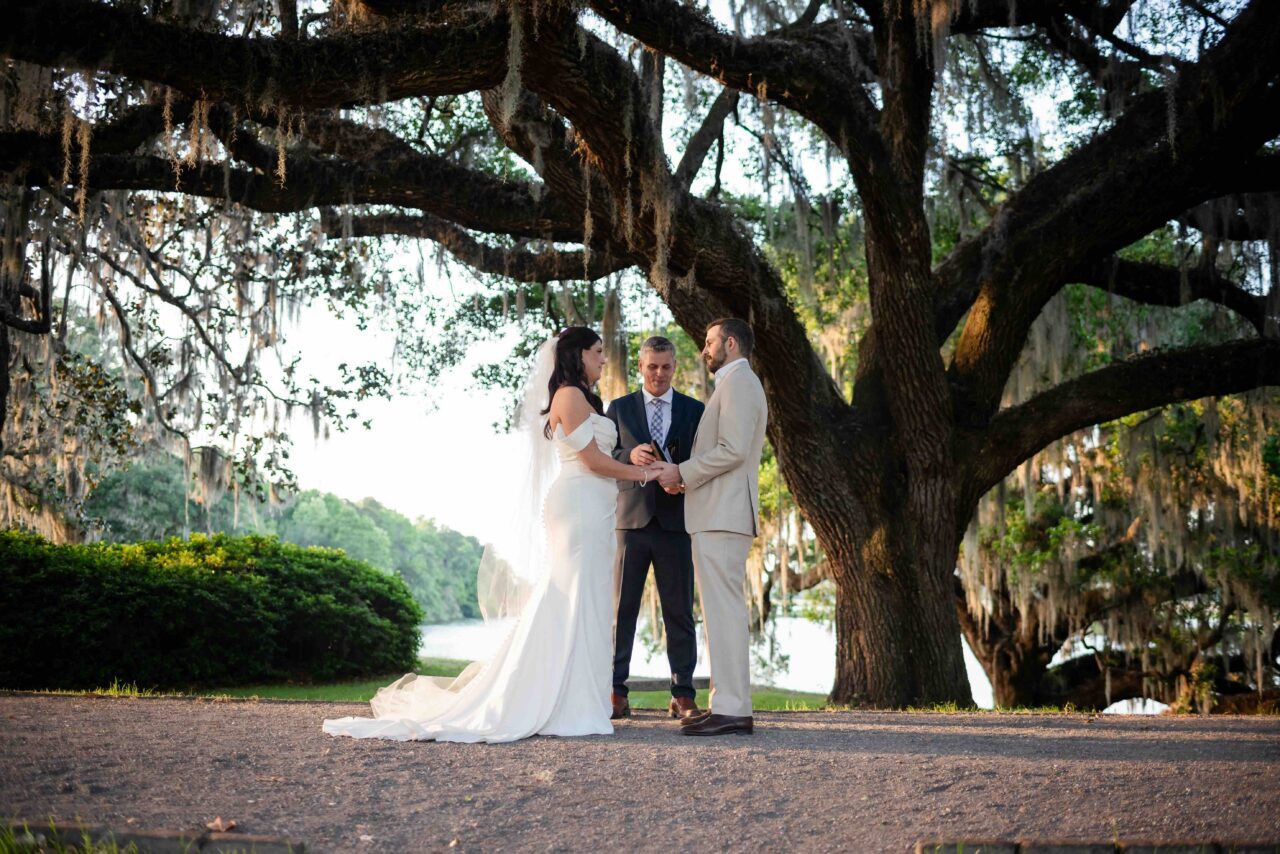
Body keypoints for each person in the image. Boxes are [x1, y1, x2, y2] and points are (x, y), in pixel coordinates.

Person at [322, 327, 664, 743]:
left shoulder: (588, 400)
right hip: (577, 508)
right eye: (597, 352)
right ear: (577, 356)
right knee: (574, 599)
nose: (603, 360)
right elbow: (591, 461)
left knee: (586, 600)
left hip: (595, 507)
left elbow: (605, 456)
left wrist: (632, 460)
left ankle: (580, 699)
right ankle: (563, 702)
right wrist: (648, 473)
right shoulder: (569, 396)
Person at [651, 318, 768, 737]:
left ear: (731, 343)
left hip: (724, 515)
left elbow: (733, 450)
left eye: (710, 341)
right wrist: (683, 478)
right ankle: (727, 704)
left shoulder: (738, 383)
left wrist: (681, 471)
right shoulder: (734, 383)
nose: (705, 348)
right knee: (721, 615)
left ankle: (733, 708)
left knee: (725, 615)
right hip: (718, 514)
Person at [604, 336, 705, 721]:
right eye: (652, 367)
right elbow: (604, 455)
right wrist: (628, 455)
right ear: (641, 367)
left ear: (674, 366)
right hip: (629, 521)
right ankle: (615, 691)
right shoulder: (620, 408)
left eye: (665, 366)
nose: (658, 374)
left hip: (676, 522)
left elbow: (703, 460)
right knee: (621, 610)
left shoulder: (695, 410)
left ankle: (682, 694)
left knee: (679, 612)